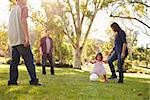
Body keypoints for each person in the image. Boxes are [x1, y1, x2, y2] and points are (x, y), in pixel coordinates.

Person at [8, 0, 43, 86]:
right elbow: (24, 21)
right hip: (21, 40)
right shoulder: (24, 8)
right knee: (29, 60)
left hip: (13, 41)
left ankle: (12, 81)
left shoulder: (12, 11)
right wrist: (27, 37)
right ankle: (34, 81)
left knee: (14, 62)